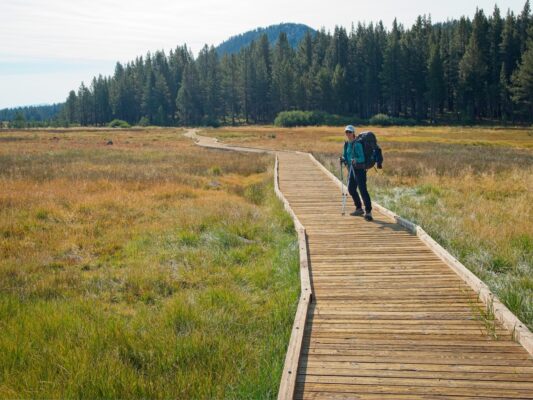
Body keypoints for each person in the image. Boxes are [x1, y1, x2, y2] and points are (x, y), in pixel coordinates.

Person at [340, 125, 373, 221]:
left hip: (359, 169)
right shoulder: (347, 144)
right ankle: (359, 208)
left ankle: (368, 211)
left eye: (350, 132)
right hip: (352, 169)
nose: (348, 134)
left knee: (363, 190)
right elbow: (345, 156)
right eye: (346, 132)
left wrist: (356, 160)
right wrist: (343, 159)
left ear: (353, 133)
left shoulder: (357, 144)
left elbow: (362, 158)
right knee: (351, 189)